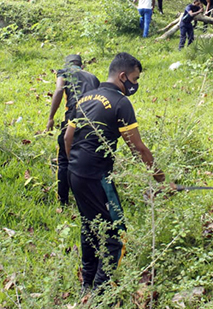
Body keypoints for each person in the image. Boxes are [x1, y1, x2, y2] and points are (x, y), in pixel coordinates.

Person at [64, 52, 165, 296]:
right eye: (135, 78)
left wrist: (76, 164)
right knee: (115, 235)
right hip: (97, 176)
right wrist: (159, 176)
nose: (136, 83)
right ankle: (100, 295)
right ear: (123, 76)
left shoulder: (85, 97)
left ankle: (86, 284)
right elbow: (137, 147)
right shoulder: (121, 103)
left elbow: (68, 137)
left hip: (74, 172)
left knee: (89, 226)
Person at [45, 54, 100, 206]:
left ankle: (62, 200)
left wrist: (50, 118)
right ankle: (88, 197)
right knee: (86, 158)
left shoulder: (64, 72)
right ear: (82, 66)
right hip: (92, 120)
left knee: (63, 160)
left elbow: (58, 90)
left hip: (73, 118)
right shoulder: (93, 77)